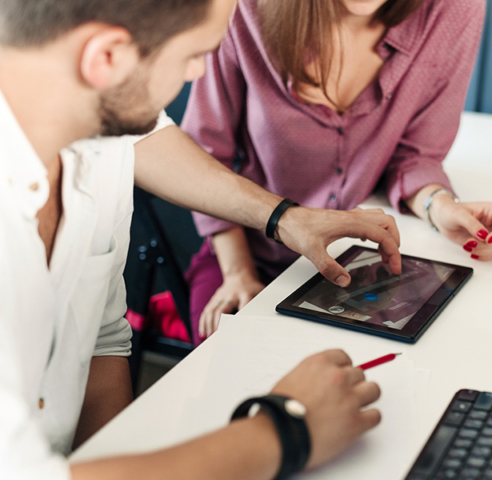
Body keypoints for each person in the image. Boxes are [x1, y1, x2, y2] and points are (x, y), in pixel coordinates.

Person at [0, 0, 402, 478]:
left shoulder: (100, 149)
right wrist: (286, 429)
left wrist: (285, 217)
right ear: (106, 58)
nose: (196, 75)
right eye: (194, 54)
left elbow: (102, 342)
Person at [182, 0, 492, 344]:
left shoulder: (451, 10)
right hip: (246, 250)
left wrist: (440, 205)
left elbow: (416, 156)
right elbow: (203, 156)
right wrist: (238, 271)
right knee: (226, 365)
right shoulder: (244, 10)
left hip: (362, 264)